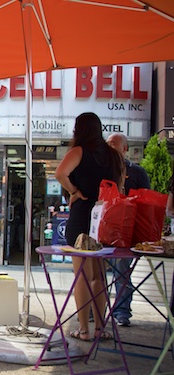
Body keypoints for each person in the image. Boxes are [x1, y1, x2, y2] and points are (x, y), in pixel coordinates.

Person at [55, 112, 124, 342]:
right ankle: (99, 328)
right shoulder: (115, 156)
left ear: (79, 129)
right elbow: (120, 188)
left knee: (82, 275)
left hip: (83, 215)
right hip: (105, 218)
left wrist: (74, 191)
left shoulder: (78, 151)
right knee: (99, 276)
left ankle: (84, 329)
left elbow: (60, 173)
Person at [107, 132, 151, 327]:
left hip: (126, 231)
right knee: (94, 271)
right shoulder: (102, 169)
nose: (110, 145)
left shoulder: (137, 172)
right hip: (104, 228)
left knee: (122, 270)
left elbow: (146, 202)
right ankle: (93, 311)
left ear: (125, 148)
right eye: (107, 142)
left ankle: (122, 312)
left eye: (114, 143)